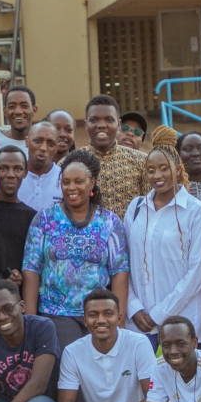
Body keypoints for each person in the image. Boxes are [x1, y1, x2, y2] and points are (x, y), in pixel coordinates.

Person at [22, 149, 129, 349]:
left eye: (78, 181)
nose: (71, 187)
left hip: (100, 316)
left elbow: (120, 271)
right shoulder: (44, 219)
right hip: (56, 314)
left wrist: (119, 319)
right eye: (65, 182)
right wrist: (30, 319)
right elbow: (31, 269)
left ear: (92, 183)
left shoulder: (110, 221)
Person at [124, 127, 201, 349]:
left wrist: (160, 314)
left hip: (183, 322)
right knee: (146, 384)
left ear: (178, 168)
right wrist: (133, 307)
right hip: (139, 324)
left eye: (164, 169)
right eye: (151, 170)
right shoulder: (136, 208)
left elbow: (197, 273)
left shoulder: (195, 210)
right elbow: (122, 263)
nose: (157, 176)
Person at [0, 147, 37, 292]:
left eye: (17, 169)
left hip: (17, 301)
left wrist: (21, 277)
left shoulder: (32, 217)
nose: (10, 175)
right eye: (4, 168)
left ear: (25, 173)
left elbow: (34, 264)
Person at [80, 95, 149, 218]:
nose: (101, 125)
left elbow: (151, 208)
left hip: (131, 236)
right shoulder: (71, 163)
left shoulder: (142, 162)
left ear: (119, 124)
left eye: (109, 119)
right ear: (86, 125)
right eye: (94, 120)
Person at [2, 121, 61, 212]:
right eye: (37, 141)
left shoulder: (64, 178)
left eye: (51, 144)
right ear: (27, 142)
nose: (43, 148)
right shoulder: (8, 177)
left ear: (56, 148)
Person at [0, 86, 36, 154]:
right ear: (5, 111)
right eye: (12, 107)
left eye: (24, 106)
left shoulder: (43, 143)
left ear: (34, 110)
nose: (18, 112)